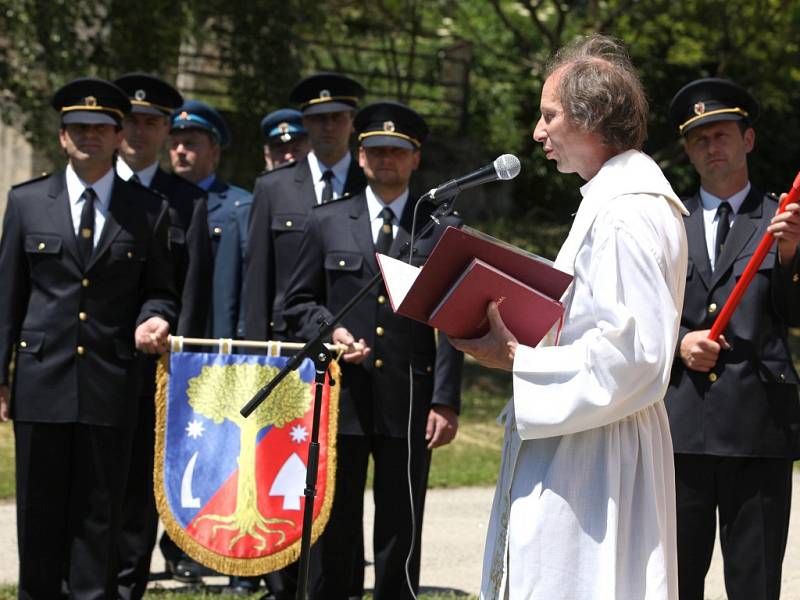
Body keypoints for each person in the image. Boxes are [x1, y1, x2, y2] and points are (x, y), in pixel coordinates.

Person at [451, 35, 687, 599]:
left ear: (592, 116)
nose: (537, 133)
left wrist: (517, 359)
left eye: (549, 115)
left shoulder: (626, 214)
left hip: (599, 454)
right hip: (586, 435)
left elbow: (636, 357)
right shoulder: (617, 200)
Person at [0, 77, 178, 599]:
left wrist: (156, 317)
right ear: (61, 137)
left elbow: (161, 290)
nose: (89, 137)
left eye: (101, 128)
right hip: (41, 381)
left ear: (119, 135)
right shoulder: (27, 202)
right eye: (79, 127)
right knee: (39, 515)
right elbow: (7, 299)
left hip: (112, 382)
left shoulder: (149, 211)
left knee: (100, 515)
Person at [283, 101, 463, 600]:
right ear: (360, 157)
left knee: (400, 521)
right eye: (376, 150)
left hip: (408, 394)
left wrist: (445, 399)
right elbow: (296, 303)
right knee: (335, 518)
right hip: (343, 396)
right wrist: (329, 331)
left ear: (415, 158)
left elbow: (453, 320)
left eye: (397, 151)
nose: (387, 159)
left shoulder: (439, 229)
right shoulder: (326, 221)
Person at [664, 78, 800, 600]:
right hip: (680, 428)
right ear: (687, 150)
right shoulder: (665, 221)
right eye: (700, 139)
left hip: (758, 428)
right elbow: (640, 313)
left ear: (748, 140)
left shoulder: (781, 219)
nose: (711, 147)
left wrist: (791, 257)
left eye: (721, 135)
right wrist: (679, 343)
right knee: (676, 580)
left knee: (755, 582)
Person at [112, 72, 213, 599]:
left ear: (167, 128)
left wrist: (187, 370)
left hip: (158, 367)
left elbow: (194, 292)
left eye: (150, 121)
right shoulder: (95, 188)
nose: (138, 130)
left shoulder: (187, 201)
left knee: (137, 484)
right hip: (96, 362)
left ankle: (128, 585)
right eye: (129, 119)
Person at [244, 72, 367, 346]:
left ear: (352, 123)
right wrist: (255, 351)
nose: (328, 127)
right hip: (288, 340)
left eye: (337, 117)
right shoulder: (273, 187)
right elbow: (257, 280)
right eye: (319, 118)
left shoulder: (369, 187)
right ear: (305, 123)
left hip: (355, 341)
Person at [170, 99, 252, 339]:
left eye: (190, 144)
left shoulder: (238, 206)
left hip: (213, 333)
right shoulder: (158, 202)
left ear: (214, 152)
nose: (180, 151)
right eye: (174, 144)